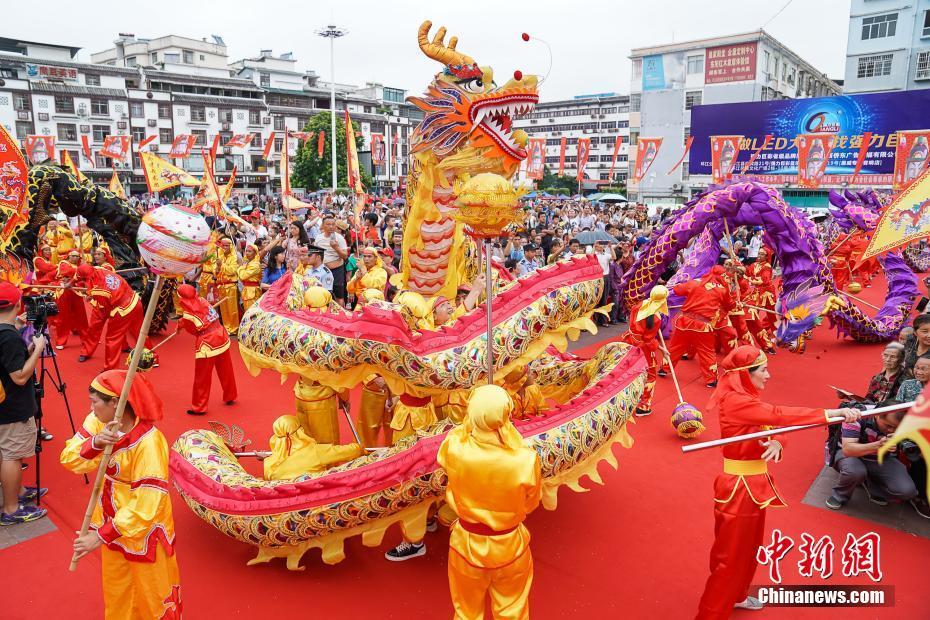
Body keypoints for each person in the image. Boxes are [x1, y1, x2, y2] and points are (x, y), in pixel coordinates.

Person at [695, 346, 860, 618]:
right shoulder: (737, 401)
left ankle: (736, 595)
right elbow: (778, 415)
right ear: (744, 375)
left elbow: (777, 426)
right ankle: (709, 614)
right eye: (763, 370)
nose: (768, 375)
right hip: (738, 488)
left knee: (750, 549)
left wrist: (777, 441)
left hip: (754, 485)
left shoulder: (748, 398)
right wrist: (833, 414)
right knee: (729, 557)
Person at [60, 370, 181, 619]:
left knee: (153, 596)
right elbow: (69, 460)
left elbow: (147, 504)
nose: (91, 408)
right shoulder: (98, 422)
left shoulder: (149, 442)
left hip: (142, 531)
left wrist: (101, 536)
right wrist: (95, 443)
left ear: (115, 402)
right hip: (111, 525)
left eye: (95, 402)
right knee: (118, 592)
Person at [436, 385, 541, 618]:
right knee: (512, 609)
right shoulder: (525, 458)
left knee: (466, 613)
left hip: (466, 545)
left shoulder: (455, 449)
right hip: (511, 546)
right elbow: (531, 503)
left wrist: (474, 423)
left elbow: (454, 438)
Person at [0, 282, 48, 525]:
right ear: (18, 305)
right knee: (12, 455)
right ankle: (10, 509)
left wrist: (27, 349)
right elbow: (19, 376)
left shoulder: (6, 334)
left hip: (4, 404)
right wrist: (38, 350)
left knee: (7, 451)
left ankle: (17, 492)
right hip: (12, 407)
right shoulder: (7, 337)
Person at [826, 406, 917, 511]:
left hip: (879, 458)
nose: (891, 430)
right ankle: (840, 495)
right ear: (877, 415)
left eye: (897, 428)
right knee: (855, 471)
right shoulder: (857, 415)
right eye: (889, 426)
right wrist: (878, 445)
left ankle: (874, 487)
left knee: (907, 491)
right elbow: (848, 450)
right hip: (849, 456)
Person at [664, 266, 736, 388]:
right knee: (707, 351)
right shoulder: (722, 290)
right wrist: (735, 303)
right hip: (703, 325)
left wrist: (681, 283)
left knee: (675, 347)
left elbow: (677, 290)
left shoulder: (695, 283)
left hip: (685, 322)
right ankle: (711, 380)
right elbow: (730, 306)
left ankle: (664, 368)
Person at [73, 264, 150, 370]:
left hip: (119, 307)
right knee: (139, 332)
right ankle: (151, 357)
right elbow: (79, 278)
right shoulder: (99, 268)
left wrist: (89, 295)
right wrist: (71, 283)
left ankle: (110, 369)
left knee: (112, 338)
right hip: (134, 301)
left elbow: (102, 305)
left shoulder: (99, 291)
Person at [176, 284, 237, 416]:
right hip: (221, 335)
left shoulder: (188, 314)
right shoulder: (202, 300)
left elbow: (193, 330)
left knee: (202, 377)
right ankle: (230, 394)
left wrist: (182, 324)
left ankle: (199, 406)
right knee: (226, 369)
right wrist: (182, 323)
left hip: (207, 343)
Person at [263, 415, 363, 480]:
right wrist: (359, 447)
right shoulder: (316, 451)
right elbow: (352, 451)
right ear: (300, 431)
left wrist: (267, 458)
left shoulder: (269, 463)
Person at [620, 286, 668, 417]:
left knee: (627, 371)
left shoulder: (640, 305)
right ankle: (644, 405)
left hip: (629, 342)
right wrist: (662, 348)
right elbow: (647, 339)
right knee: (651, 375)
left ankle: (624, 401)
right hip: (643, 347)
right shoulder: (656, 317)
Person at [315, 216, 349, 305]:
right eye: (328, 224)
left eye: (333, 224)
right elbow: (316, 253)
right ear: (322, 225)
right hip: (323, 271)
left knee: (339, 296)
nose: (331, 227)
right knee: (323, 294)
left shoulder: (339, 238)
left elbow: (345, 256)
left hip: (337, 271)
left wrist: (336, 248)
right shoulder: (318, 238)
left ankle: (341, 316)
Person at [214, 237, 240, 336]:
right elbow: (215, 272)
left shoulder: (234, 257)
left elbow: (232, 271)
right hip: (221, 285)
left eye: (227, 245)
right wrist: (217, 267)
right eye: (223, 245)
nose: (224, 247)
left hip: (230, 286)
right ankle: (226, 327)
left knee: (232, 309)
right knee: (224, 309)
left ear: (230, 246)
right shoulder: (220, 257)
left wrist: (222, 266)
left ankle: (233, 328)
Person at [238, 243, 263, 313]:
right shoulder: (248, 263)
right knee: (247, 312)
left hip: (252, 291)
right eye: (246, 251)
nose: (247, 253)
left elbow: (242, 276)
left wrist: (241, 267)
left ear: (255, 253)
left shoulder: (255, 265)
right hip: (247, 290)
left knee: (251, 313)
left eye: (250, 251)